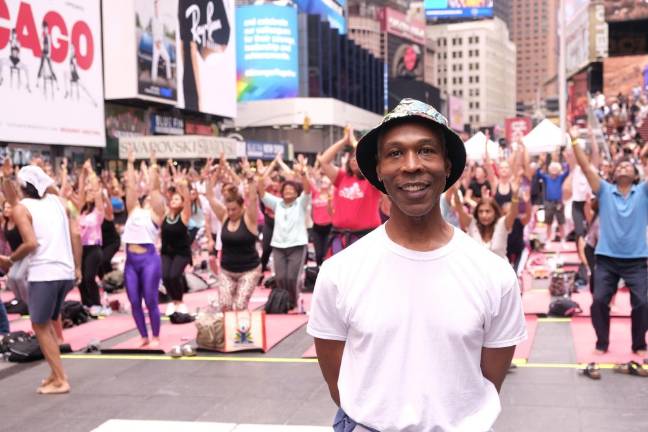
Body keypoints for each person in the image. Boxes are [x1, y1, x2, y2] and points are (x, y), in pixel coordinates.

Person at [308, 99, 526, 431]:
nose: (411, 165)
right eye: (395, 153)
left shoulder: (494, 275)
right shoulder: (340, 272)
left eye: (426, 151)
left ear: (448, 166)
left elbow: (488, 380)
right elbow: (337, 379)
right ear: (379, 169)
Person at [0, 165, 81, 394]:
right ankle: (56, 374)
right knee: (47, 323)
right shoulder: (58, 202)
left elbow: (31, 243)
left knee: (39, 325)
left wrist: (10, 260)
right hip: (64, 272)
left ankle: (61, 380)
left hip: (45, 273)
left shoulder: (22, 208)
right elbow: (75, 231)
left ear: (22, 187)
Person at [571, 127, 648, 355]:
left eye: (628, 166)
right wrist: (574, 138)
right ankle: (601, 342)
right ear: (613, 174)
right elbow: (585, 167)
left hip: (637, 260)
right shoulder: (604, 190)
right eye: (620, 166)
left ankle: (639, 344)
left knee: (643, 303)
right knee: (599, 302)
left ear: (636, 175)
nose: (624, 167)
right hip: (606, 259)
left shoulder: (643, 192)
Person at [123, 149, 165, 347]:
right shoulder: (133, 210)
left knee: (150, 299)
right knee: (134, 301)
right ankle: (143, 336)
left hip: (149, 260)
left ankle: (155, 335)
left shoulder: (155, 214)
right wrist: (130, 164)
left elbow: (155, 189)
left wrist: (153, 165)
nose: (149, 199)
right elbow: (130, 187)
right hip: (131, 261)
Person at [318, 127, 382, 256]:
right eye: (352, 157)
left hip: (366, 237)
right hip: (339, 236)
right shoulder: (342, 177)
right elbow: (324, 161)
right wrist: (344, 140)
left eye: (357, 156)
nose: (353, 159)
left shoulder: (373, 180)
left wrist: (354, 142)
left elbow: (371, 158)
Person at [205, 168, 261, 311]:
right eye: (228, 209)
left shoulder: (249, 219)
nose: (230, 213)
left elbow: (253, 199)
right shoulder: (224, 216)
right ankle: (229, 333)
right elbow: (210, 198)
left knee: (240, 305)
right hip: (227, 270)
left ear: (242, 207)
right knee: (225, 305)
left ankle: (242, 333)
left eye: (234, 209)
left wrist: (250, 181)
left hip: (249, 270)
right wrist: (208, 178)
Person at [259, 166, 311, 307]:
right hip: (279, 246)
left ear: (296, 193)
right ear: (281, 192)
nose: (288, 191)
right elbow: (261, 193)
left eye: (292, 190)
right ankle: (282, 303)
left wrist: (304, 174)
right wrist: (262, 176)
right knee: (281, 277)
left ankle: (293, 301)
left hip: (297, 245)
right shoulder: (277, 204)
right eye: (286, 190)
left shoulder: (300, 203)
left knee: (292, 277)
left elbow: (307, 190)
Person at [452, 179, 520, 259]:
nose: (484, 215)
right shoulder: (472, 223)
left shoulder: (502, 224)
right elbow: (459, 209)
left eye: (488, 211)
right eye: (480, 211)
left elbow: (513, 213)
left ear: (495, 212)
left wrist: (515, 195)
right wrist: (455, 192)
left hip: (499, 270)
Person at [160, 176, 192, 316]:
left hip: (182, 252)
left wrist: (183, 187)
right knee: (165, 276)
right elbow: (161, 195)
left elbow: (188, 201)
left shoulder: (184, 216)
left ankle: (180, 302)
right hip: (166, 252)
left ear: (182, 203)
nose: (173, 201)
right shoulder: (165, 215)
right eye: (172, 199)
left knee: (174, 275)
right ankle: (173, 302)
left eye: (177, 199)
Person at [78, 171, 106, 314]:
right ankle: (86, 304)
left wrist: (92, 174)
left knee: (89, 277)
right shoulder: (81, 211)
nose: (88, 192)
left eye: (91, 191)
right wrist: (83, 177)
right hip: (80, 249)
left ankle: (96, 303)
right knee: (80, 279)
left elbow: (96, 192)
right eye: (86, 190)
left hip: (93, 248)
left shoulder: (98, 211)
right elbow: (81, 190)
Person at [536, 154, 570, 242]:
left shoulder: (560, 177)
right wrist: (541, 163)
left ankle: (563, 239)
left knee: (561, 222)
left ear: (559, 170)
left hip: (558, 202)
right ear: (549, 170)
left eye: (556, 169)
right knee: (548, 223)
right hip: (548, 202)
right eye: (552, 168)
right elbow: (538, 173)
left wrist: (564, 161)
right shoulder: (546, 178)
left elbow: (567, 171)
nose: (554, 170)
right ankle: (548, 239)